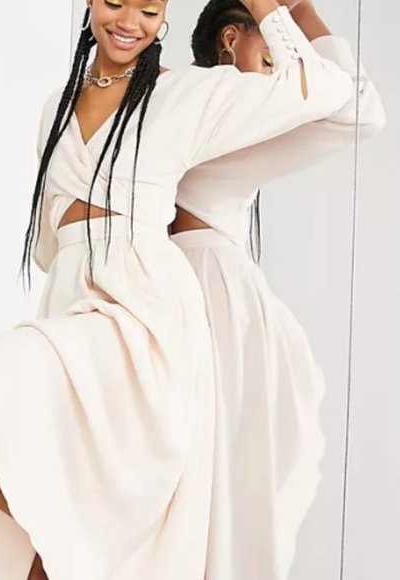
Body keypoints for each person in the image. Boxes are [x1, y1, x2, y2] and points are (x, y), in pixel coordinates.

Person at [0, 0, 354, 578]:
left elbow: (327, 88)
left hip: (143, 322)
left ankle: (69, 531)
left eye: (149, 11)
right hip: (72, 311)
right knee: (40, 561)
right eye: (114, 3)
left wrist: (272, 6)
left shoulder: (184, 94)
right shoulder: (55, 110)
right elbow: (53, 246)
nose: (129, 23)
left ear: (164, 17)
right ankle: (73, 533)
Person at [170, 0, 385, 578]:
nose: (277, 74)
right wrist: (297, 9)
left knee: (190, 479)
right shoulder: (225, 101)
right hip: (207, 294)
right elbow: (359, 109)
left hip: (169, 287)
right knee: (220, 480)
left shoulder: (177, 96)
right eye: (268, 55)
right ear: (230, 39)